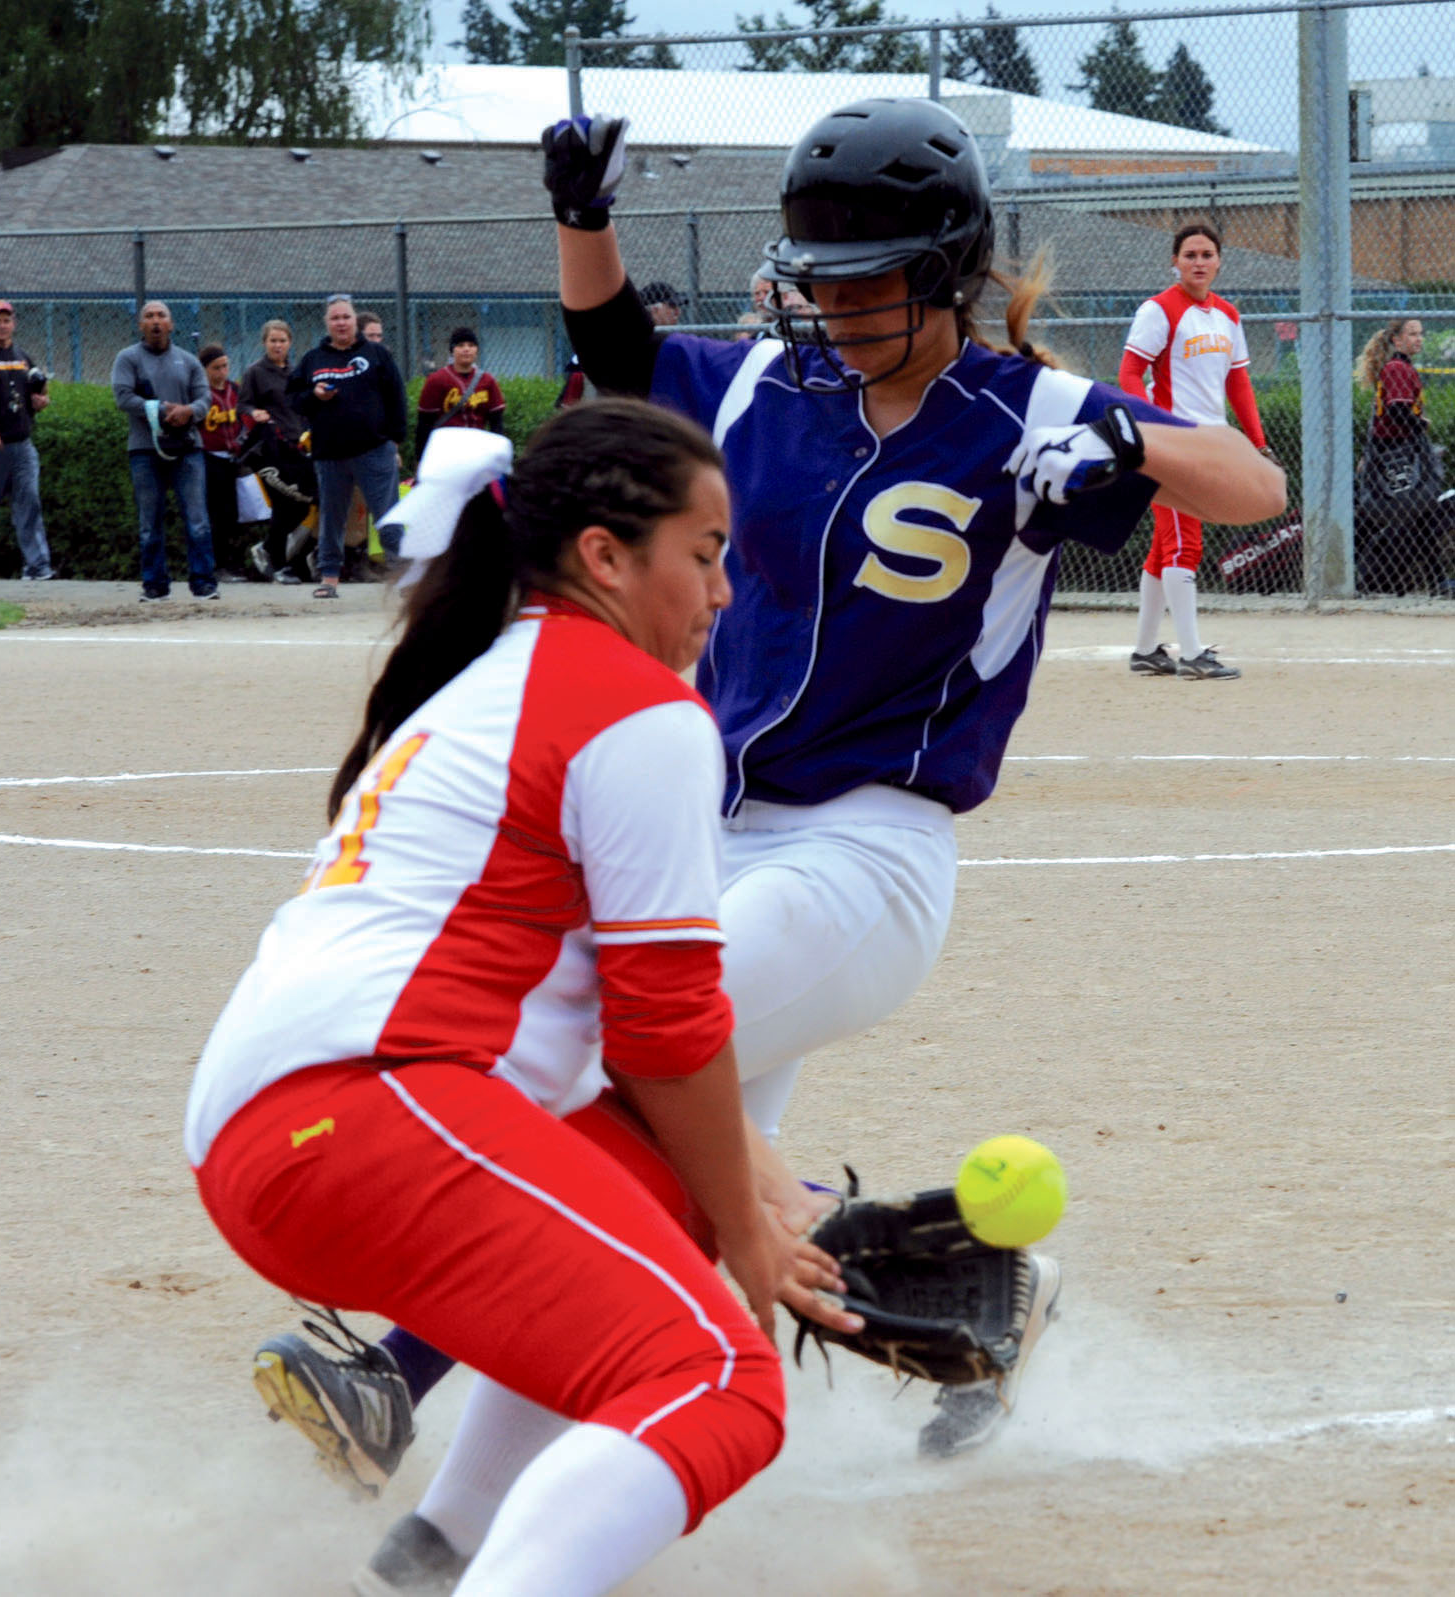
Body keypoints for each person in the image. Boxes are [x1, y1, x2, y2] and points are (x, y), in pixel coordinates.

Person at [253, 99, 1287, 1560]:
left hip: (865, 855)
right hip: (718, 840)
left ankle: (392, 1367)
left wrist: (1116, 456)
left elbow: (1255, 485)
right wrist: (581, 217)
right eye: (823, 277)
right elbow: (615, 359)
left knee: (607, 1042)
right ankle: (443, 1542)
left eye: (872, 280)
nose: (839, 305)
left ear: (950, 271)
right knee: (658, 1194)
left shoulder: (1025, 410)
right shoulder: (758, 391)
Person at [188, 400, 855, 1597]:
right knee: (717, 1385)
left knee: (670, 1206)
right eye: (703, 556)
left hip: (297, 1126)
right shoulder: (634, 705)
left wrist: (749, 1205)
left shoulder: (502, 676)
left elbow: (621, 1046)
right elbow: (667, 1021)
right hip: (371, 1110)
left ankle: (432, 1558)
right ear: (605, 556)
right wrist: (754, 1240)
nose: (719, 594)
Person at [1119, 221, 1271, 679]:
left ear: (1219, 261)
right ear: (1174, 261)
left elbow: (1238, 382)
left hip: (1210, 443)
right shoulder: (1159, 310)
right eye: (1190, 255)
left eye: (1207, 254)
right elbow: (1128, 374)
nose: (1199, 262)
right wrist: (1154, 431)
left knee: (1166, 547)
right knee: (1186, 544)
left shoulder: (1227, 314)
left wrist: (1258, 443)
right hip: (1175, 444)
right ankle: (1192, 655)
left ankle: (1147, 651)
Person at [288, 295, 407, 599]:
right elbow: (294, 399)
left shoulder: (377, 354)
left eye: (346, 317)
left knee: (388, 514)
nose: (341, 322)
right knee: (332, 517)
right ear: (327, 324)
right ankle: (329, 578)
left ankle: (404, 577)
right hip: (330, 453)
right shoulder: (314, 359)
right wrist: (314, 395)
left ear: (355, 321)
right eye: (335, 318)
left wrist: (395, 441)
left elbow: (397, 398)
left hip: (374, 450)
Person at [110, 300, 218, 601]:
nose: (155, 321)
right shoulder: (127, 358)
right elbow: (122, 396)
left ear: (171, 324)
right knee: (149, 521)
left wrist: (188, 411)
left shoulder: (189, 361)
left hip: (188, 449)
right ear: (140, 324)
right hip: (145, 450)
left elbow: (205, 398)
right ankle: (154, 585)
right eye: (149, 316)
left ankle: (204, 583)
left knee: (197, 519)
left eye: (161, 316)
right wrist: (158, 409)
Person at [1354, 318, 1449, 595]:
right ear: (1396, 340)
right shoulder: (1397, 368)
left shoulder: (1401, 367)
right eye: (1412, 334)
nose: (1419, 339)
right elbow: (1397, 411)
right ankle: (1436, 581)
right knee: (1413, 516)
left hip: (1394, 452)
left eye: (1421, 334)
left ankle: (1438, 581)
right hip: (1397, 457)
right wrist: (1422, 424)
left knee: (1419, 518)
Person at [0, 299, 55, 580]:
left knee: (28, 499)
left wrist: (39, 401)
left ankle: (37, 566)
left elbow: (32, 392)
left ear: (14, 324)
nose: (2, 325)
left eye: (7, 320)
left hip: (22, 442)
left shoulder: (21, 356)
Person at [238, 319, 309, 584]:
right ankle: (279, 564)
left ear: (290, 343)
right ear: (264, 343)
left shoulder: (297, 372)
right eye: (273, 341)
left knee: (302, 503)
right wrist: (254, 413)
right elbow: (242, 405)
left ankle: (268, 548)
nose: (278, 345)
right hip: (269, 448)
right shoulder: (255, 372)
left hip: (297, 446)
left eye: (282, 341)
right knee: (282, 503)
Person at [198, 343, 269, 581]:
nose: (222, 372)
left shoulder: (235, 390)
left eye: (225, 366)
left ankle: (232, 563)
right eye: (216, 368)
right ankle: (216, 565)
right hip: (210, 459)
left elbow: (246, 418)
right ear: (205, 370)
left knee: (233, 514)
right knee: (215, 514)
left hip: (233, 460)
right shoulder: (201, 393)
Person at [414, 326, 506, 456]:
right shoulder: (437, 380)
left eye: (471, 345)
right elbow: (424, 424)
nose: (466, 349)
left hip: (478, 448)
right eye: (461, 345)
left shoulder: (488, 381)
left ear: (477, 350)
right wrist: (420, 458)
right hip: (446, 450)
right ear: (452, 350)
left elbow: (497, 423)